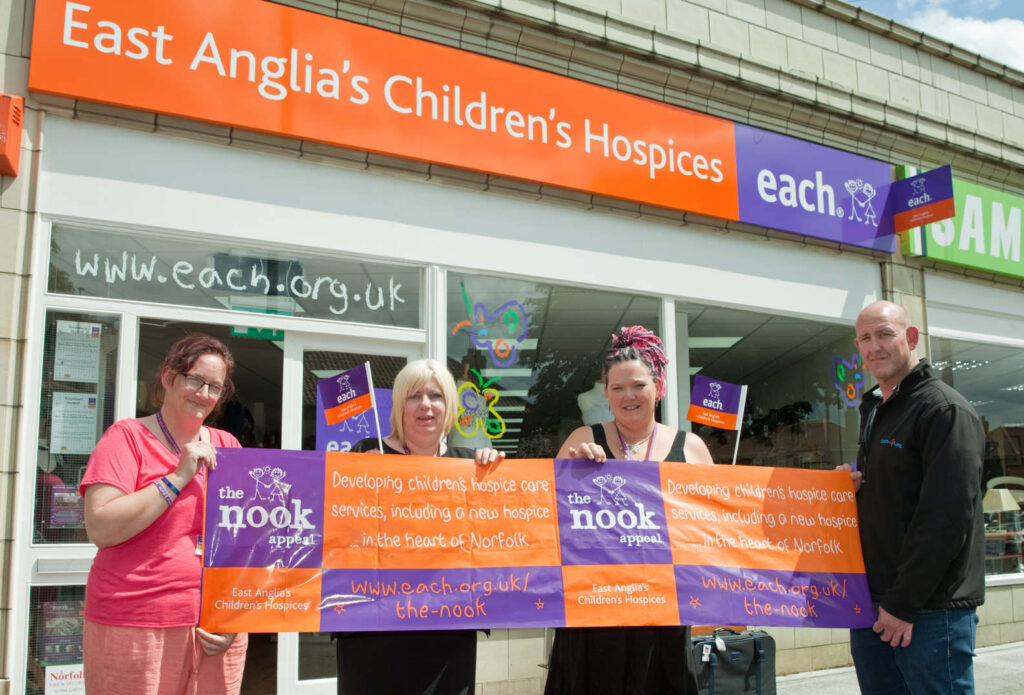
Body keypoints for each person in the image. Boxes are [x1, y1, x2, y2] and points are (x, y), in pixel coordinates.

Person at [545, 325, 713, 695]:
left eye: (638, 385)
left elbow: (711, 531)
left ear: (659, 387)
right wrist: (575, 475)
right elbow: (549, 521)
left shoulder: (692, 449)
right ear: (606, 393)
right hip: (594, 618)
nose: (628, 396)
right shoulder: (581, 440)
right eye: (617, 388)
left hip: (663, 618)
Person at [80, 334, 247, 694]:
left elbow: (244, 542)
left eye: (215, 387)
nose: (203, 393)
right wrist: (176, 477)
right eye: (195, 380)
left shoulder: (228, 446)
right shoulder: (126, 438)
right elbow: (101, 527)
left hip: (213, 627)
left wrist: (236, 614)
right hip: (137, 621)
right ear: (170, 377)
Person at [336, 358, 502, 695]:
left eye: (436, 396)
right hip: (375, 633)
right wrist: (359, 483)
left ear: (449, 406)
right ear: (399, 405)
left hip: (446, 634)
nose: (425, 404)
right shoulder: (367, 453)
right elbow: (341, 537)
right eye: (414, 396)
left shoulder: (469, 463)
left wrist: (494, 480)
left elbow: (492, 542)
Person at [844, 300, 985, 694]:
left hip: (928, 613)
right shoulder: (876, 408)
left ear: (910, 337)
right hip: (873, 606)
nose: (874, 347)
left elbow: (946, 519)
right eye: (865, 339)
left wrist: (902, 605)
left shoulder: (944, 411)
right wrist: (850, 487)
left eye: (884, 334)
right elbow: (895, 498)